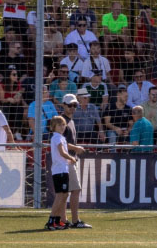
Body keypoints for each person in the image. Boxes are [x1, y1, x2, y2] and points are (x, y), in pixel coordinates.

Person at [54, 95, 91, 229]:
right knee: (75, 190)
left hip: (67, 161)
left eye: (75, 105)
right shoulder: (63, 122)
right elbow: (61, 143)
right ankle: (75, 220)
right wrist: (76, 149)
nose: (72, 108)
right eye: (70, 105)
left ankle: (64, 220)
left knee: (67, 192)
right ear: (63, 105)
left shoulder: (70, 121)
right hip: (67, 160)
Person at [46, 115, 79, 231]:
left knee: (64, 194)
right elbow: (62, 152)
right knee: (61, 195)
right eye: (59, 125)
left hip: (63, 169)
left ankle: (57, 220)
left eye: (63, 125)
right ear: (53, 127)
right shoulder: (57, 138)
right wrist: (71, 158)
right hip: (59, 170)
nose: (62, 127)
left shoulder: (61, 137)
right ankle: (51, 220)